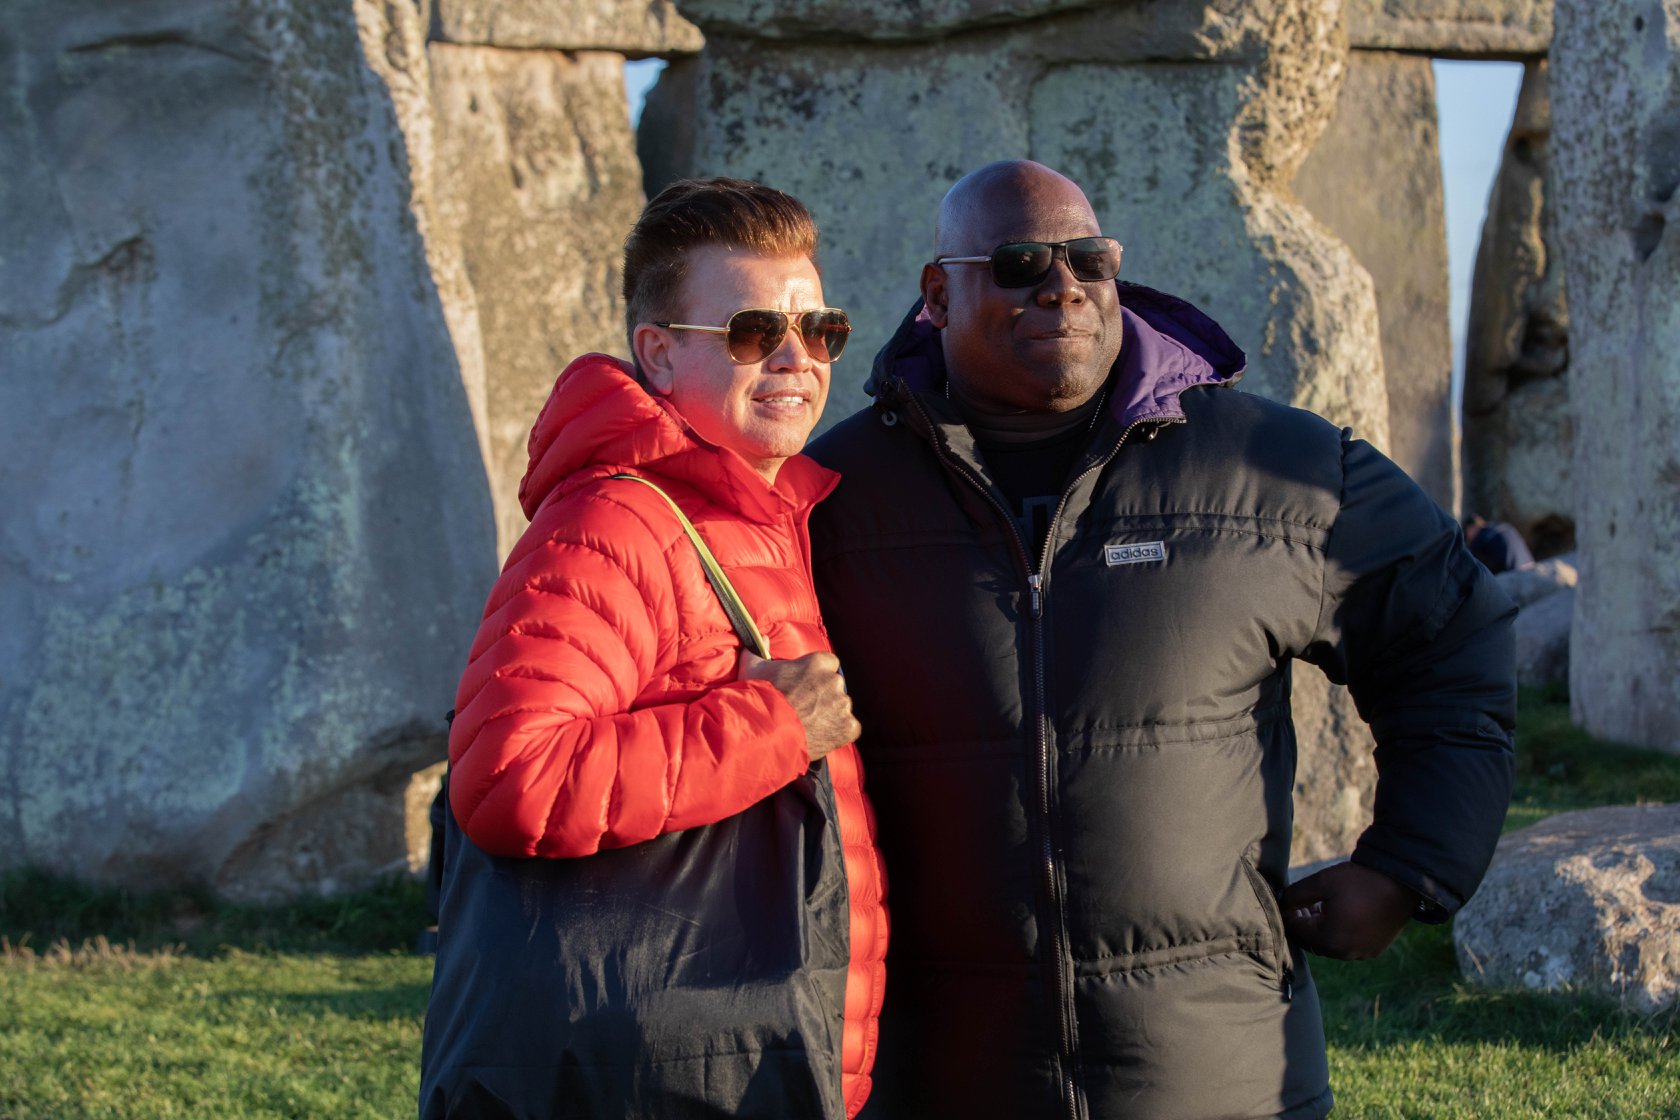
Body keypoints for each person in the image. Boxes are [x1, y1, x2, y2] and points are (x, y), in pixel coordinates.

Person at [805, 160, 1516, 1119]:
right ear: (938, 293)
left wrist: (1412, 865)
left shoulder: (1280, 468)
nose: (1062, 286)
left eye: (1088, 260)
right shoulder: (828, 499)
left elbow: (1450, 634)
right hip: (939, 1076)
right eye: (1018, 263)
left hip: (1220, 1075)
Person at [419, 178, 887, 1119]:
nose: (797, 359)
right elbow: (508, 778)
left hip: (746, 1059)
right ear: (659, 355)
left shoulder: (762, 516)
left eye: (821, 329)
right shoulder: (617, 521)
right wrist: (772, 724)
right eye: (757, 332)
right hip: (658, 1074)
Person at [1464, 514, 1536, 573]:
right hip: (1530, 568)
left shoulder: (1481, 537)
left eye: (1467, 536)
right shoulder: (1507, 527)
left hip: (1511, 575)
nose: (1469, 539)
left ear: (1471, 528)